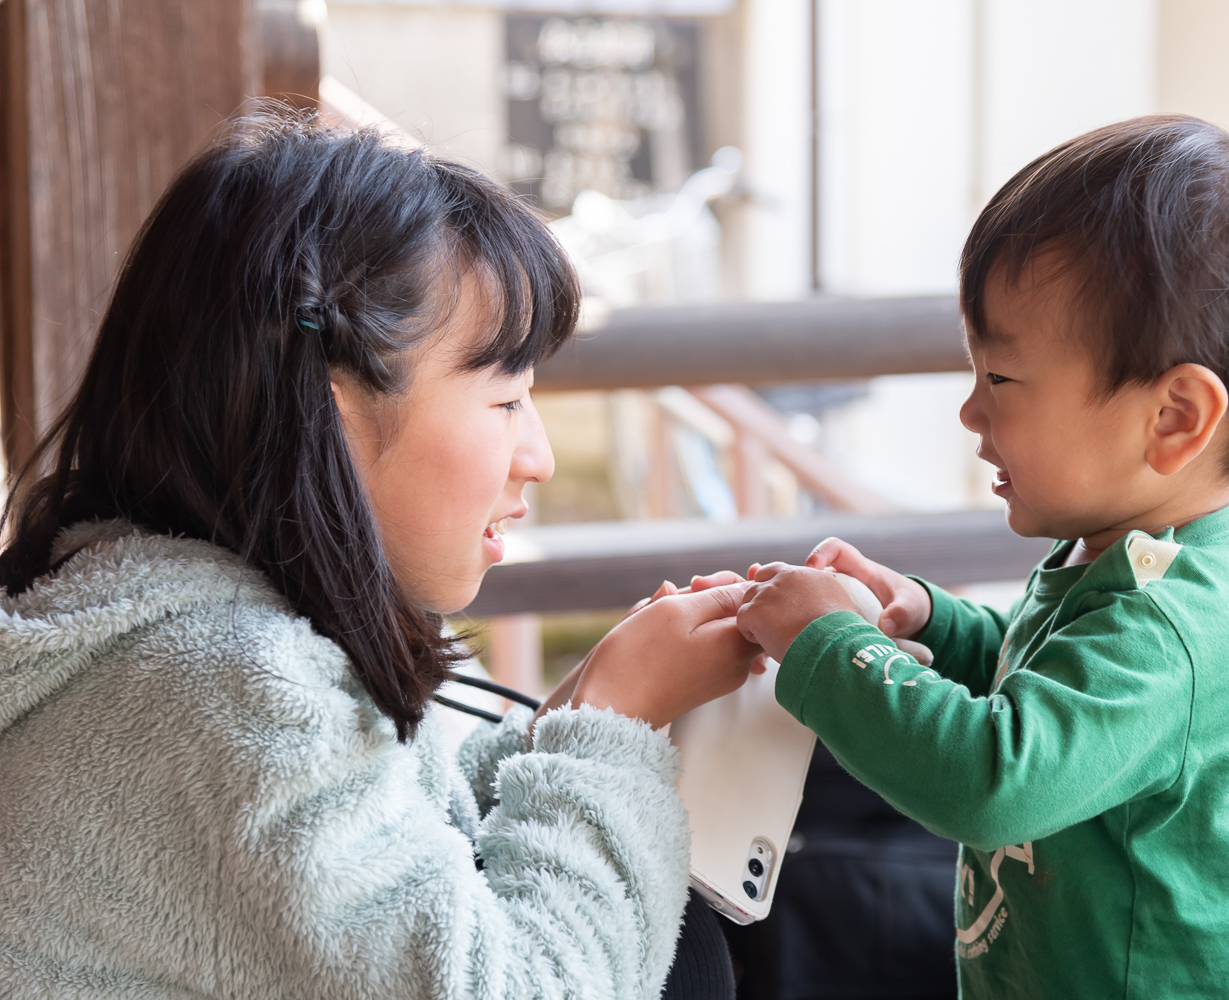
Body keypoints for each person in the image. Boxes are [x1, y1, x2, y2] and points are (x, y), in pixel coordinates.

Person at [0, 113, 756, 998]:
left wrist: (573, 722)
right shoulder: (229, 696)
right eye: (506, 400)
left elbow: (401, 863)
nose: (540, 457)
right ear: (334, 417)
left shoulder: (192, 657)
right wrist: (615, 721)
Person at [733, 116, 1229, 998]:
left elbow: (994, 778)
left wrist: (829, 645)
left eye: (1000, 378)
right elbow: (1052, 676)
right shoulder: (1139, 549)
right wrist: (932, 622)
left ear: (1174, 417)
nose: (971, 412)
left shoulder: (1172, 616)